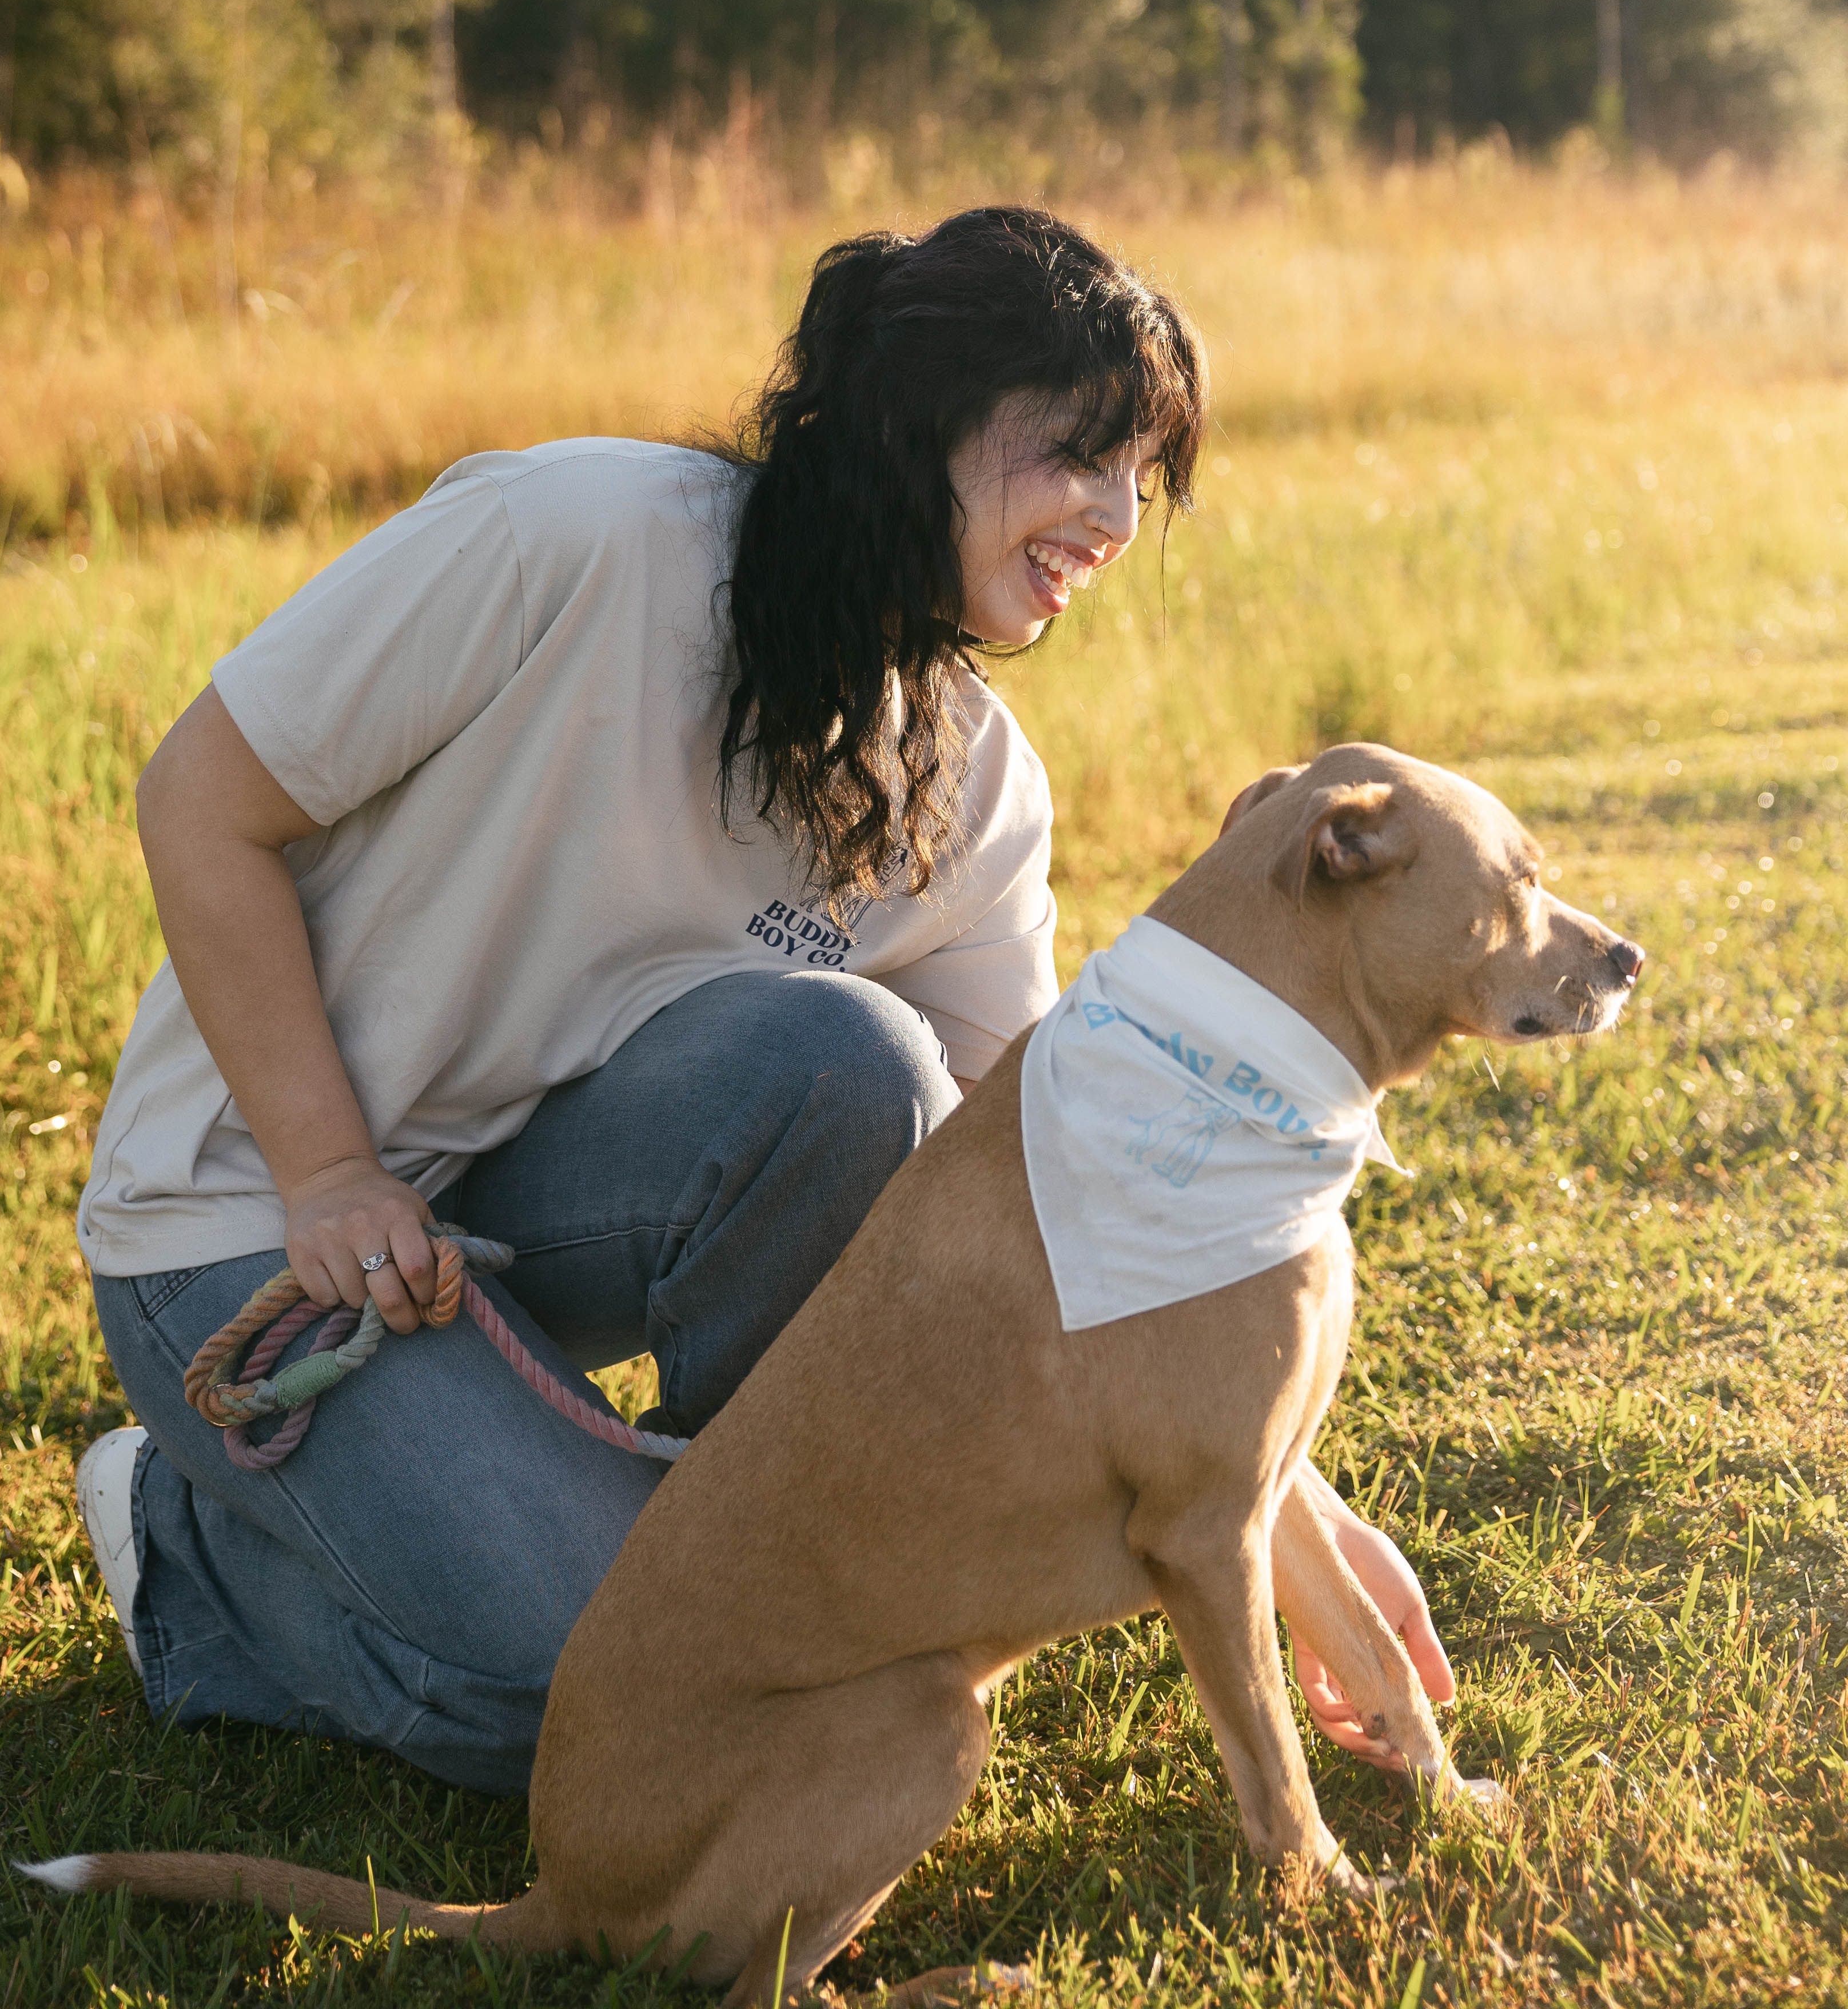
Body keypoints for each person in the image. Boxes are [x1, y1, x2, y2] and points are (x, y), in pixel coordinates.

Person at [74, 200, 1450, 1792]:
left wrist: (1297, 1513)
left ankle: (707, 1547)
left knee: (850, 1071)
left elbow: (1053, 1176)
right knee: (610, 1713)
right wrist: (325, 1173)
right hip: (256, 1221)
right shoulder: (575, 536)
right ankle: (191, 1561)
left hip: (537, 1217)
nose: (1117, 518)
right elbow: (199, 803)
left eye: (1144, 479)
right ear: (921, 418)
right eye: (1081, 454)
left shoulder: (980, 792)